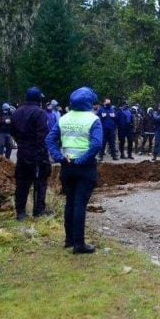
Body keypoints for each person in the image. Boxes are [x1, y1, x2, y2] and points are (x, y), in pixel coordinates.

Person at [46, 87, 103, 255]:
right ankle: (79, 244)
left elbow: (50, 139)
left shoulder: (63, 118)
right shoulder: (93, 120)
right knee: (80, 205)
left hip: (67, 167)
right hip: (84, 168)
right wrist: (83, 160)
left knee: (69, 203)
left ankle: (69, 240)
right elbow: (97, 144)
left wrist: (60, 157)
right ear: (90, 102)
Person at [11, 87, 51, 220]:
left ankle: (20, 212)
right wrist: (44, 154)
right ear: (38, 99)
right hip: (37, 152)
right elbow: (42, 135)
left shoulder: (17, 112)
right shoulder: (40, 113)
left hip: (22, 151)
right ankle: (39, 210)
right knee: (40, 181)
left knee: (22, 182)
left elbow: (13, 132)